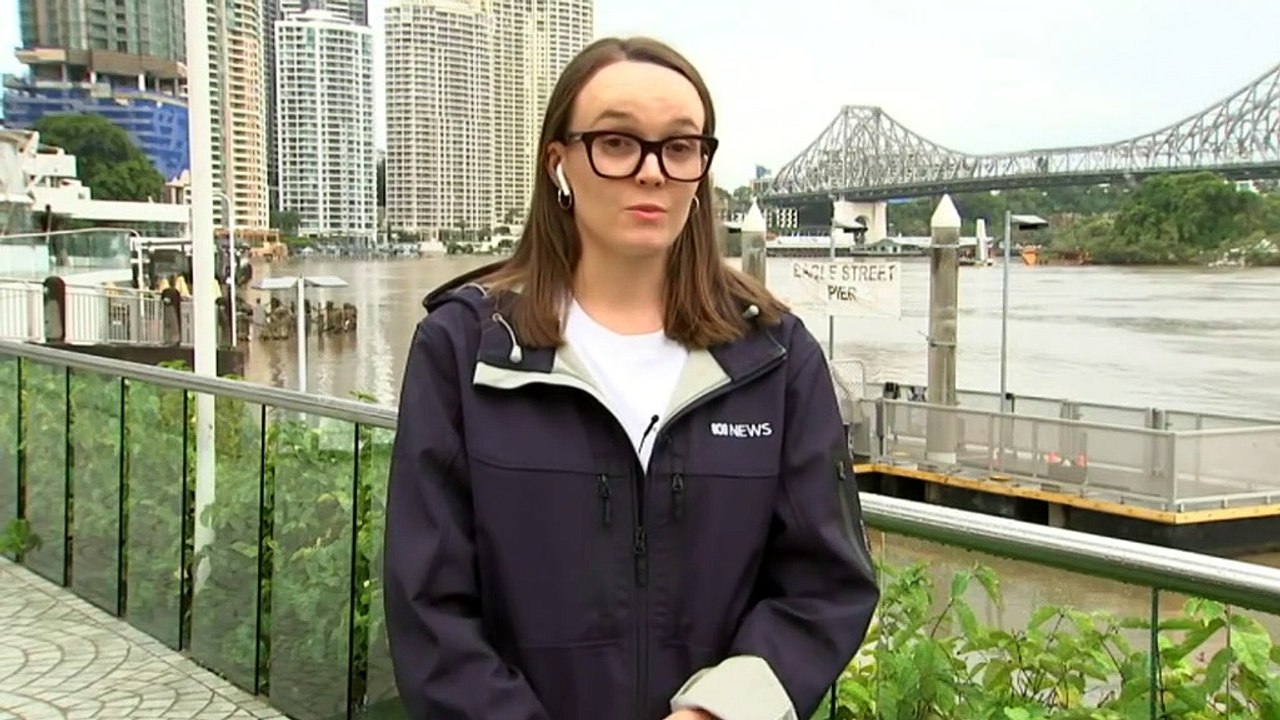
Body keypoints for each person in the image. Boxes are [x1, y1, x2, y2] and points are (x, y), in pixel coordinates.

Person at [383, 35, 879, 720]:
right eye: (617, 142)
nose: (652, 172)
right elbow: (427, 602)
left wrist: (716, 712)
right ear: (559, 162)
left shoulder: (775, 356)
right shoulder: (465, 349)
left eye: (679, 147)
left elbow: (826, 583)